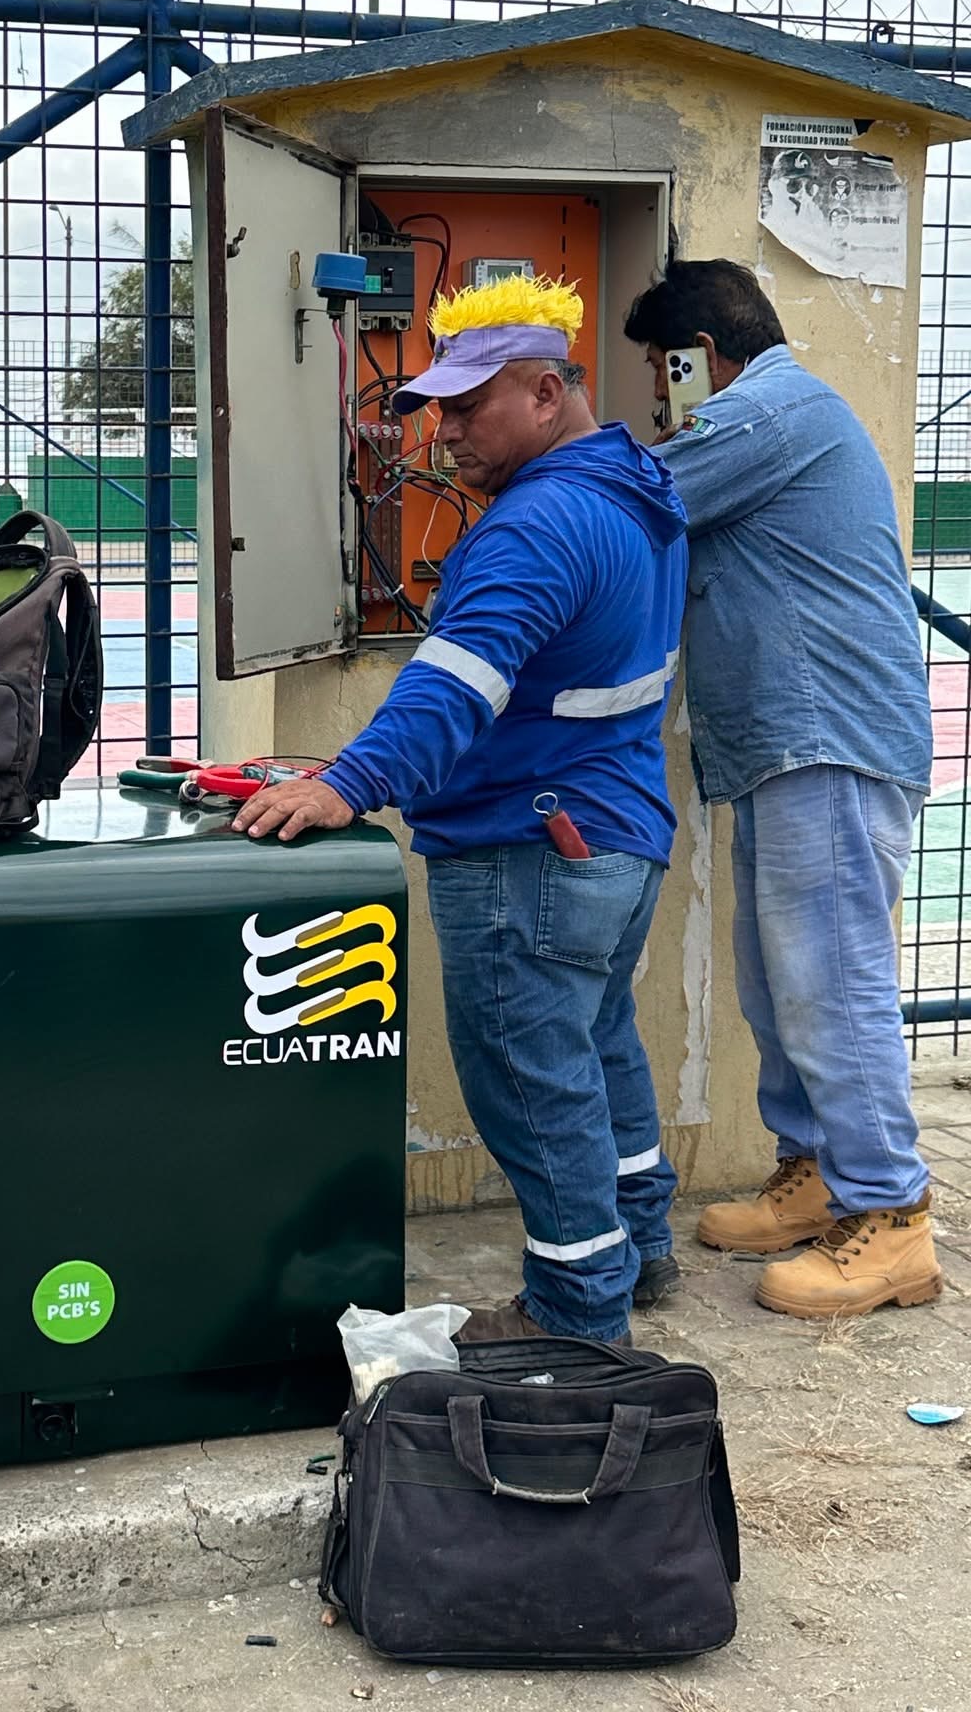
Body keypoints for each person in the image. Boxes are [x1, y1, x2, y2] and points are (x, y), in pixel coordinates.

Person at [236, 276, 688, 1345]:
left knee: (533, 1087)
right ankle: (641, 1244)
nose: (442, 433)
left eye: (469, 406)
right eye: (436, 408)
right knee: (599, 1049)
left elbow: (451, 689)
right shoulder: (638, 487)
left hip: (529, 850)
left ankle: (576, 1315)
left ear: (546, 393)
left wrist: (344, 782)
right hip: (615, 836)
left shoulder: (536, 526)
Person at [625, 258, 939, 1320]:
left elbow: (634, 496)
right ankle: (814, 1173)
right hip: (785, 743)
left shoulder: (767, 412)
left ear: (701, 356)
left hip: (829, 739)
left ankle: (892, 1214)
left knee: (829, 981)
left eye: (661, 371)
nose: (659, 396)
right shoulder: (769, 415)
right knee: (777, 980)